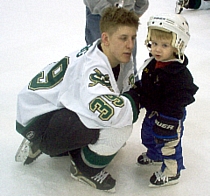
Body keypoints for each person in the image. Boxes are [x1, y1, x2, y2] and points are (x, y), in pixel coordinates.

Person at [15, 7, 140, 192]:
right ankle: (83, 169)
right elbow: (114, 113)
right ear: (105, 38)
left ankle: (50, 141)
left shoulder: (115, 55)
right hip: (36, 121)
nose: (130, 45)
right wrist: (137, 100)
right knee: (119, 130)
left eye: (133, 37)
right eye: (123, 38)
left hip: (42, 110)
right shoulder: (93, 69)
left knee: (110, 126)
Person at [136, 13, 198, 187]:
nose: (157, 49)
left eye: (164, 45)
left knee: (168, 142)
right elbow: (148, 84)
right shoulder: (151, 64)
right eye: (154, 43)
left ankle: (172, 171)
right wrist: (138, 92)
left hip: (170, 115)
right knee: (148, 135)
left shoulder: (179, 75)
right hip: (153, 111)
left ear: (178, 45)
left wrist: (169, 120)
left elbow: (181, 98)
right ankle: (154, 154)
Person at [83, 0, 149, 81]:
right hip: (100, 13)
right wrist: (109, 13)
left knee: (128, 62)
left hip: (127, 11)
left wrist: (139, 7)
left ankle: (131, 90)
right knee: (99, 61)